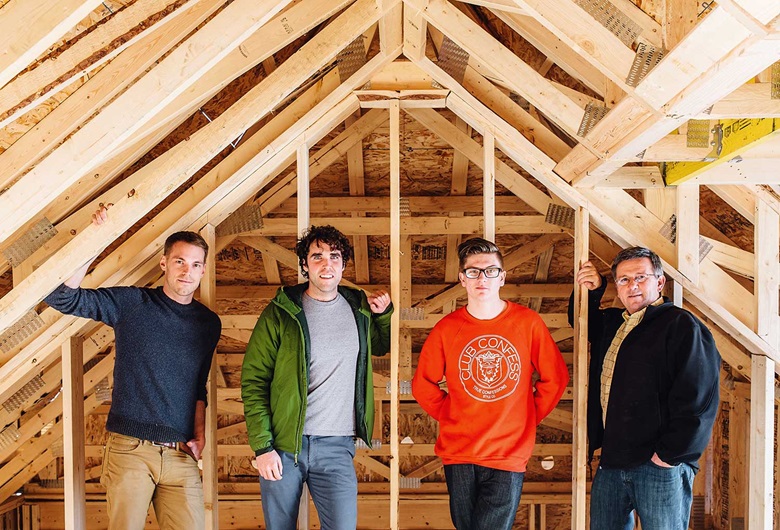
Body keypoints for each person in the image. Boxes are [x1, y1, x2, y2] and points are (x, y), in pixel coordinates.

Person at [44, 207, 222, 530]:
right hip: (130, 449)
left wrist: (199, 434)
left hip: (181, 455)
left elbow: (199, 386)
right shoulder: (133, 305)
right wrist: (94, 241)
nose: (187, 271)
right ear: (164, 263)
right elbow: (62, 298)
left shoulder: (208, 324)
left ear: (203, 269)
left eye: (195, 265)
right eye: (180, 261)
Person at [241, 225, 392, 530]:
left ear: (343, 264)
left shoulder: (358, 307)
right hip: (284, 446)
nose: (327, 264)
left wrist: (383, 316)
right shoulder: (281, 312)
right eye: (317, 256)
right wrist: (263, 448)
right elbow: (254, 380)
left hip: (337, 446)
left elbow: (378, 346)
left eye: (334, 256)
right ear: (305, 264)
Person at [412, 237, 569, 530]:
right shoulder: (447, 328)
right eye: (473, 271)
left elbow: (555, 377)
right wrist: (451, 414)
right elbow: (423, 384)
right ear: (462, 279)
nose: (482, 278)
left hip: (508, 452)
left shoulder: (528, 323)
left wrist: (527, 417)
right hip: (458, 452)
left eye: (490, 271)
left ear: (502, 277)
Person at [569, 246, 721, 530]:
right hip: (612, 462)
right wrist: (594, 289)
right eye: (624, 280)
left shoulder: (681, 325)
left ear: (660, 282)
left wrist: (667, 457)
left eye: (641, 277)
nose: (633, 286)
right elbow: (582, 323)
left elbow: (699, 398)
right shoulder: (615, 323)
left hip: (659, 465)